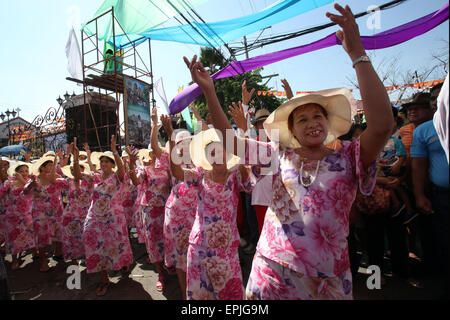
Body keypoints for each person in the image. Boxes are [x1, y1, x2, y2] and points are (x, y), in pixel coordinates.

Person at [183, 3, 394, 299]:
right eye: (302, 119)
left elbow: (383, 125)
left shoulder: (348, 156)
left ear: (329, 123)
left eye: (317, 116)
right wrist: (209, 91)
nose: (311, 123)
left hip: (326, 280)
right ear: (291, 131)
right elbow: (230, 142)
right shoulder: (278, 155)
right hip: (271, 274)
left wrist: (357, 53)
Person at [169, 125, 253, 300]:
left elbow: (249, 185)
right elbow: (177, 172)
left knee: (231, 294)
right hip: (200, 246)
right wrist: (172, 141)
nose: (218, 156)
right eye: (212, 153)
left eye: (221, 151)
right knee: (202, 295)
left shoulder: (235, 175)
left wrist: (243, 136)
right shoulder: (200, 174)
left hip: (227, 248)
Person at [82, 135, 133, 296]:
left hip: (114, 217)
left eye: (107, 161)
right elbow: (77, 174)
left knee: (116, 244)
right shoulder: (94, 177)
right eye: (102, 161)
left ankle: (123, 264)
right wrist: (77, 157)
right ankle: (104, 279)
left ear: (112, 164)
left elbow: (122, 169)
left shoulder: (116, 177)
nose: (103, 164)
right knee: (95, 244)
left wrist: (114, 152)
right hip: (95, 218)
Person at [131, 107, 171, 292]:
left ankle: (169, 265)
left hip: (167, 209)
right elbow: (135, 181)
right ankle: (160, 273)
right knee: (154, 243)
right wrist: (132, 166)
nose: (153, 152)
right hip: (149, 211)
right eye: (152, 151)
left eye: (156, 150)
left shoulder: (166, 165)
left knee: (168, 240)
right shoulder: (144, 170)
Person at [411, 114, 449, 299]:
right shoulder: (424, 130)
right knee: (445, 240)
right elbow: (418, 165)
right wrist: (419, 195)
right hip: (442, 196)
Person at [161, 119, 198, 300]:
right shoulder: (176, 167)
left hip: (196, 220)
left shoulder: (201, 167)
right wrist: (170, 134)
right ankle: (185, 295)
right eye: (181, 144)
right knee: (181, 260)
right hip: (176, 219)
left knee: (195, 259)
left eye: (188, 143)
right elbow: (174, 170)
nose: (185, 147)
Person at [29, 155, 66, 272]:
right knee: (42, 236)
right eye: (49, 165)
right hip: (41, 213)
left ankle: (58, 252)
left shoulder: (56, 177)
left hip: (56, 211)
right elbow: (25, 192)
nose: (51, 167)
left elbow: (66, 186)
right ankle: (44, 261)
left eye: (52, 165)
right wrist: (31, 185)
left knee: (59, 231)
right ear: (42, 168)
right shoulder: (35, 179)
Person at [60, 141, 93, 266]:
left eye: (79, 168)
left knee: (86, 239)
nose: (76, 171)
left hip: (85, 216)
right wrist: (68, 156)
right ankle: (74, 262)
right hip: (70, 215)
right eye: (73, 169)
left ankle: (88, 259)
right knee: (71, 239)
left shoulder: (89, 180)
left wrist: (80, 157)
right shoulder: (68, 182)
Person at [0, 162, 36, 270]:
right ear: (16, 173)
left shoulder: (30, 182)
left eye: (26, 171)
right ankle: (14, 260)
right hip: (12, 216)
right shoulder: (9, 183)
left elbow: (31, 191)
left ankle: (35, 252)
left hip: (27, 215)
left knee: (31, 235)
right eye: (21, 171)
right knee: (13, 238)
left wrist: (22, 179)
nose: (24, 173)